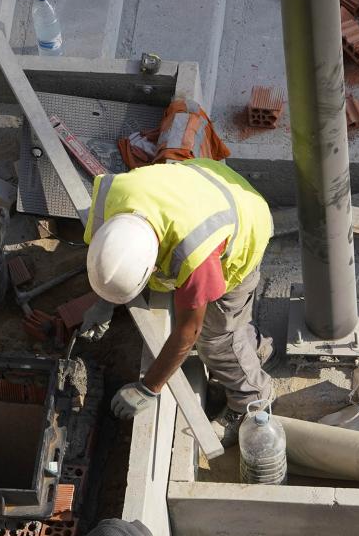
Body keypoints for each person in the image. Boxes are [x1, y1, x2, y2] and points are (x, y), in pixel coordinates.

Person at [85, 158, 274, 442]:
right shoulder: (112, 198)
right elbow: (108, 255)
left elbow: (188, 331)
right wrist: (103, 300)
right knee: (230, 332)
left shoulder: (193, 255)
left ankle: (253, 399)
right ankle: (252, 350)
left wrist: (148, 388)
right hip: (205, 190)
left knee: (215, 340)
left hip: (244, 226)